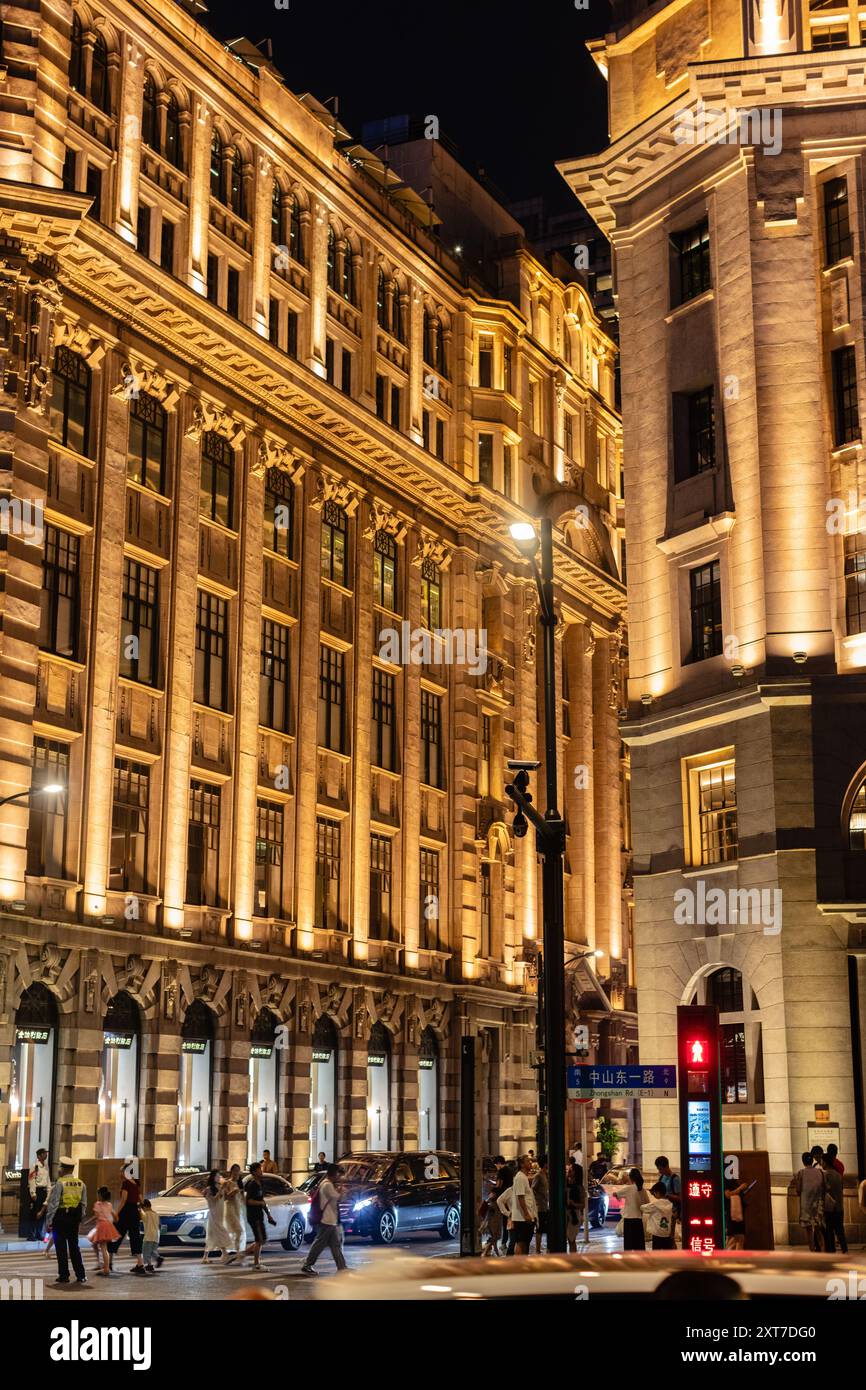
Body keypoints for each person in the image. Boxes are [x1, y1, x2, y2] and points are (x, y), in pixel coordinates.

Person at [45, 1155, 89, 1287]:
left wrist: (49, 1221)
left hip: (61, 1218)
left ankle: (64, 1276)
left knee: (61, 1248)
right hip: (74, 1219)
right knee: (74, 1247)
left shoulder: (60, 1183)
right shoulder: (81, 1183)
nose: (59, 1170)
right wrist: (79, 1218)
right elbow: (83, 1204)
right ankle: (81, 1275)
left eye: (60, 1167)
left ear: (64, 1169)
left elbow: (54, 1204)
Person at [301, 1163, 347, 1275]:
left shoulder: (327, 1184)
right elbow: (337, 1197)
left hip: (331, 1220)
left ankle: (342, 1268)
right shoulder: (327, 1185)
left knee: (335, 1245)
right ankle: (307, 1264)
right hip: (327, 1220)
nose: (338, 1176)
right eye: (337, 1173)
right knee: (319, 1244)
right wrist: (341, 1191)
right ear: (334, 1173)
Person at [110, 1161, 146, 1274]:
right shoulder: (136, 1183)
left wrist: (116, 1212)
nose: (120, 1173)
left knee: (116, 1235)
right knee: (135, 1236)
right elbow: (141, 1200)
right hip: (134, 1212)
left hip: (126, 1212)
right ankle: (140, 1264)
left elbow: (124, 1200)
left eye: (121, 1171)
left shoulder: (126, 1184)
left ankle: (109, 1262)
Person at [240, 1160, 276, 1271]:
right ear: (254, 1172)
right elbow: (248, 1201)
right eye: (259, 1169)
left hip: (259, 1215)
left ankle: (243, 1253)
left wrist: (268, 1214)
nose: (261, 1171)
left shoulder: (261, 1184)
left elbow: (262, 1200)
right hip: (253, 1216)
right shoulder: (252, 1185)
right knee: (260, 1239)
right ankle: (256, 1264)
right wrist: (260, 1203)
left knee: (261, 1239)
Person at [611, 1167, 649, 1250]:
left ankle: (629, 1262)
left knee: (628, 1245)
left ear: (631, 1178)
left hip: (629, 1220)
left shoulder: (628, 1189)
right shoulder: (643, 1190)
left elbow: (615, 1194)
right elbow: (647, 1204)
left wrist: (616, 1194)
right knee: (639, 1245)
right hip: (638, 1220)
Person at [795, 1151, 825, 1252]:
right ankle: (823, 1248)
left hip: (806, 1205)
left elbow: (798, 1190)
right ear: (812, 1161)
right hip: (818, 1204)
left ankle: (812, 1251)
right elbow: (824, 1187)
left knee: (809, 1231)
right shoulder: (820, 1172)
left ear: (803, 1161)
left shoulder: (801, 1173)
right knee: (818, 1229)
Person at [88, 1186, 120, 1276]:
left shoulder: (98, 1204)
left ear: (100, 1195)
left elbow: (97, 1215)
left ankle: (106, 1268)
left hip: (102, 1226)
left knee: (103, 1248)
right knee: (99, 1246)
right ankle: (103, 1265)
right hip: (108, 1225)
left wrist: (87, 1221)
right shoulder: (109, 1205)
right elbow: (115, 1217)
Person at [202, 1169, 233, 1264]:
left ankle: (205, 1257)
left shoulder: (220, 1187)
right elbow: (214, 1200)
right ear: (212, 1177)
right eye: (217, 1176)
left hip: (220, 1213)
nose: (219, 1178)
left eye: (219, 1176)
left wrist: (229, 1189)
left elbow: (225, 1198)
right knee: (221, 1232)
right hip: (214, 1214)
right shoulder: (209, 1189)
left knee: (213, 1235)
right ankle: (225, 1254)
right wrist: (221, 1189)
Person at [510, 1153, 537, 1255]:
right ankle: (519, 1266)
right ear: (521, 1164)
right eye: (527, 1161)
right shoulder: (520, 1177)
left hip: (524, 1216)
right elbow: (520, 1197)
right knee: (521, 1243)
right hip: (522, 1217)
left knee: (525, 1242)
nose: (530, 1163)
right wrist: (526, 1214)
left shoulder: (523, 1177)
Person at [820, 1153, 846, 1254]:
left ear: (825, 1163)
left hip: (829, 1208)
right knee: (840, 1231)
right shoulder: (838, 1175)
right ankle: (845, 1250)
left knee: (829, 1231)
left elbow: (824, 1190)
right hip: (839, 1207)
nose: (821, 1163)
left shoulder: (825, 1175)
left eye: (822, 1161)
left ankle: (831, 1252)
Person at [654, 1157, 681, 1248]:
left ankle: (671, 1254)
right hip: (663, 1212)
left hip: (672, 1212)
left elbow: (680, 1198)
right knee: (663, 1235)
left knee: (670, 1236)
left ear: (666, 1166)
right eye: (658, 1169)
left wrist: (667, 1195)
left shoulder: (675, 1178)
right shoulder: (662, 1177)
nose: (659, 1171)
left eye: (660, 1169)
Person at [222, 1164, 247, 1257]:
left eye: (238, 1170)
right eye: (235, 1170)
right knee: (236, 1230)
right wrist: (233, 1192)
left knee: (238, 1231)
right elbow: (225, 1197)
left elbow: (243, 1199)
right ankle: (235, 1251)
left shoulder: (240, 1184)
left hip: (238, 1209)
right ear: (231, 1171)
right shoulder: (227, 1183)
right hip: (230, 1209)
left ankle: (235, 1251)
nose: (237, 1172)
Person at [642, 1181, 674, 1250]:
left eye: (654, 1194)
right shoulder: (671, 1204)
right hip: (667, 1234)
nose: (654, 1196)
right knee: (667, 1254)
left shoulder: (655, 1205)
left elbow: (643, 1208)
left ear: (657, 1192)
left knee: (656, 1254)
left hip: (657, 1234)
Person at [28, 1148, 50, 1240]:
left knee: (42, 1214)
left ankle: (39, 1233)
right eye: (44, 1153)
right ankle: (31, 1234)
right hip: (37, 1191)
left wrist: (49, 1190)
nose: (46, 1155)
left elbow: (47, 1179)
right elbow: (31, 1180)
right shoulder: (35, 1166)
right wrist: (33, 1193)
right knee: (35, 1213)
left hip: (44, 1191)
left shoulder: (46, 1166)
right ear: (39, 1155)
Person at [723, 1178, 749, 1250]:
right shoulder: (726, 1181)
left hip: (738, 1213)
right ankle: (728, 1259)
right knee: (732, 1239)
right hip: (732, 1213)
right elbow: (728, 1195)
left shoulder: (734, 1181)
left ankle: (739, 1258)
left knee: (740, 1238)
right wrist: (740, 1188)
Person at [531, 1154, 550, 1253]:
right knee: (539, 1229)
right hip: (540, 1206)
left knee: (544, 1228)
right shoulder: (538, 1176)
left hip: (545, 1205)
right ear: (545, 1163)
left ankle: (545, 1248)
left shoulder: (545, 1175)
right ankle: (538, 1250)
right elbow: (532, 1189)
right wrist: (536, 1200)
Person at [566, 1158, 584, 1252]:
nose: (569, 1170)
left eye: (571, 1169)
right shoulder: (564, 1183)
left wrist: (573, 1204)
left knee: (571, 1239)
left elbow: (582, 1205)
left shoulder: (579, 1187)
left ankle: (573, 1258)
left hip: (573, 1215)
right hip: (564, 1214)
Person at [141, 1198, 163, 1272]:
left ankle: (149, 1265)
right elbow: (159, 1225)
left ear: (144, 1207)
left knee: (146, 1251)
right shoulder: (156, 1214)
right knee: (153, 1251)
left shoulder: (145, 1214)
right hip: (156, 1235)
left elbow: (140, 1217)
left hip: (148, 1236)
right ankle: (158, 1258)